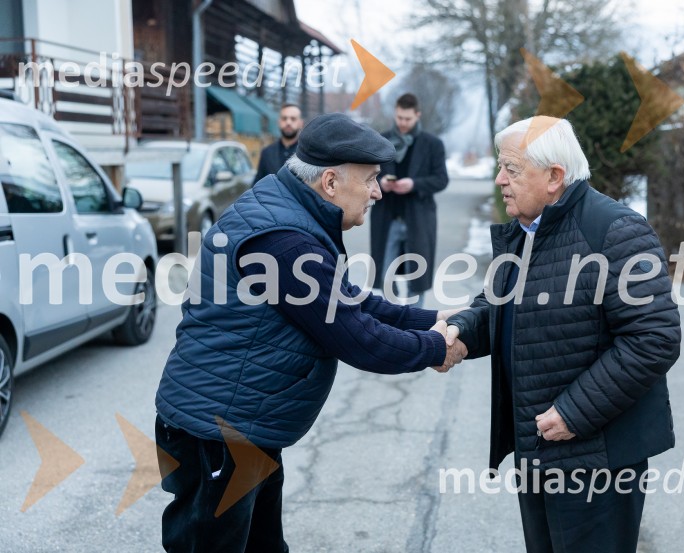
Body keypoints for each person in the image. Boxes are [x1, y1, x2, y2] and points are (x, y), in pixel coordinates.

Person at [154, 113, 467, 553]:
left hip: (243, 424)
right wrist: (437, 346)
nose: (378, 191)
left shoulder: (289, 211)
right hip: (219, 431)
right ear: (331, 183)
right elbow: (357, 337)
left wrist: (432, 316)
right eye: (372, 179)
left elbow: (349, 300)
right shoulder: (283, 240)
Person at [447, 116, 681, 553]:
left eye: (511, 169)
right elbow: (498, 307)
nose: (500, 180)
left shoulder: (615, 230)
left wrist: (575, 412)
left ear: (554, 176)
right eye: (502, 168)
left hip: (597, 459)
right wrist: (461, 329)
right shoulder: (527, 231)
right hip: (539, 449)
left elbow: (654, 337)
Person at [370, 93, 449, 307]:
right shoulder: (381, 141)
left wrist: (414, 184)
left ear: (417, 115)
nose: (402, 123)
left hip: (419, 219)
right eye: (399, 118)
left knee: (417, 278)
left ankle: (415, 326)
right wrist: (381, 182)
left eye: (407, 119)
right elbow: (367, 175)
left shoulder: (432, 144)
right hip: (387, 218)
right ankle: (393, 322)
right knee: (386, 277)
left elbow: (441, 179)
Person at [253, 103, 303, 182]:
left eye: (293, 119)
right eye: (284, 118)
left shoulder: (308, 153)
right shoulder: (267, 153)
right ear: (279, 122)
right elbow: (257, 184)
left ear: (300, 123)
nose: (288, 122)